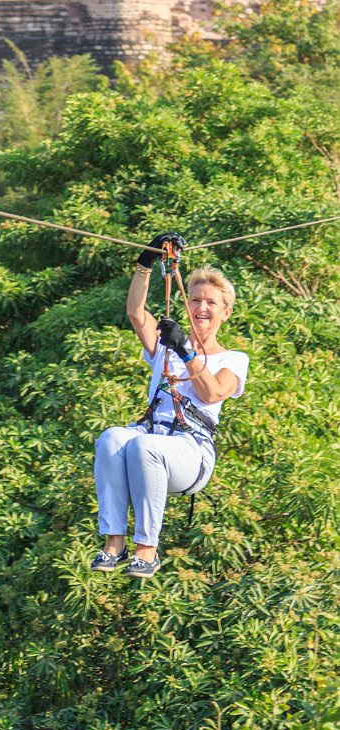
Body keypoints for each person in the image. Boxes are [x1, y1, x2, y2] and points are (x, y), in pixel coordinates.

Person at [91, 232, 249, 578]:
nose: (201, 308)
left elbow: (210, 393)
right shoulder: (166, 345)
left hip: (191, 452)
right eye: (195, 301)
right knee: (113, 438)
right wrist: (146, 263)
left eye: (210, 303)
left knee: (146, 445)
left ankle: (147, 549)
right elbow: (135, 311)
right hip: (150, 439)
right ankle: (114, 543)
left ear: (226, 312)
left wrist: (185, 351)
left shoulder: (234, 359)